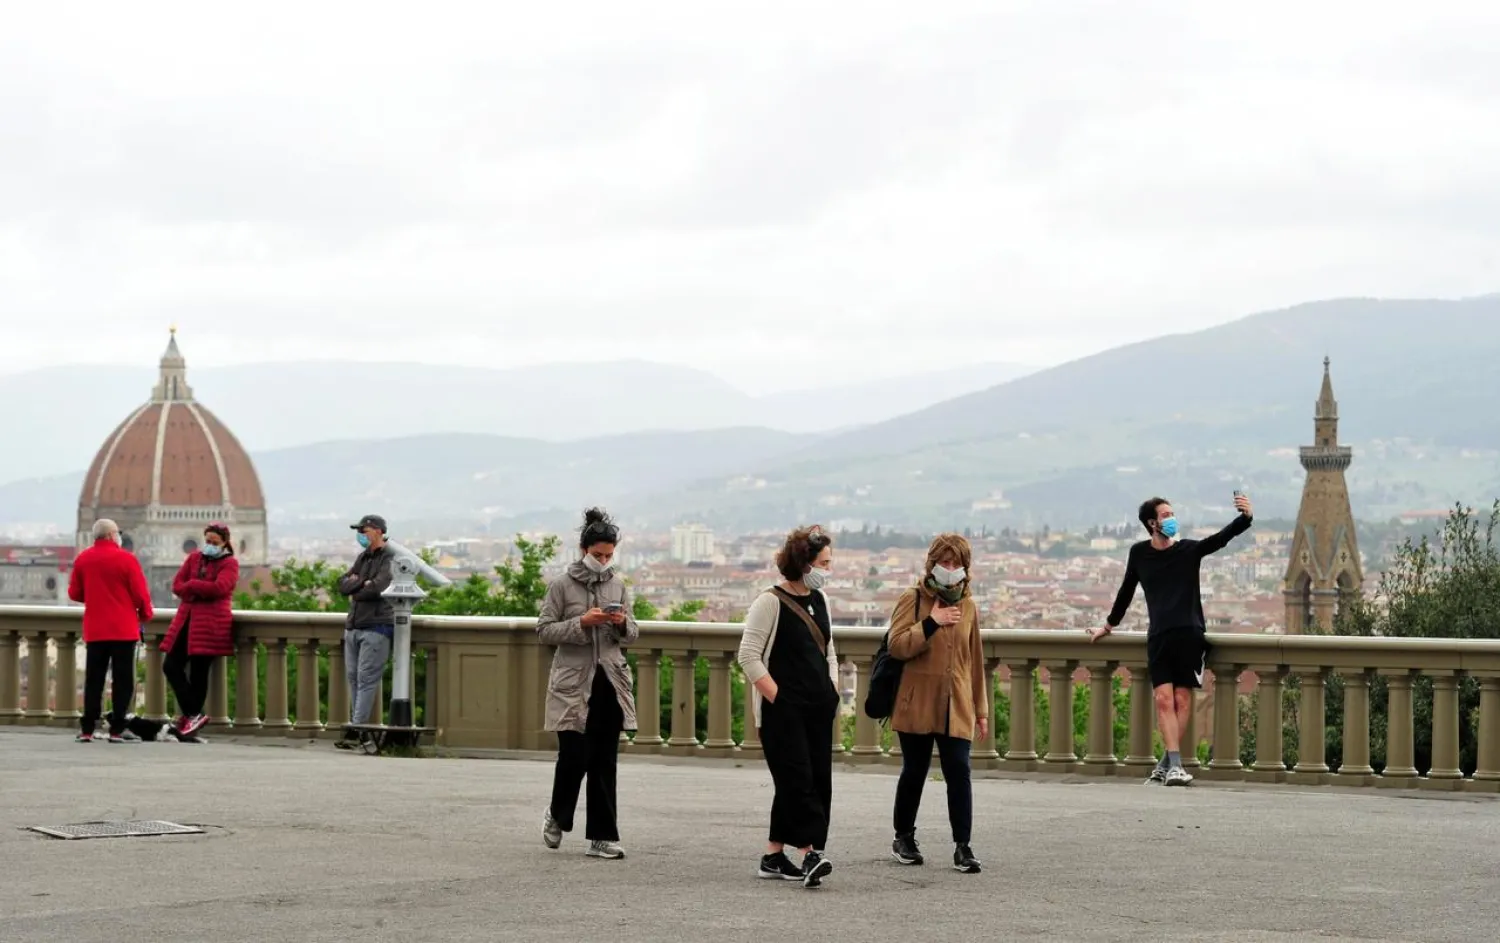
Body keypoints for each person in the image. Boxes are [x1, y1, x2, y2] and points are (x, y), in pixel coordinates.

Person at [1090, 492, 1255, 786]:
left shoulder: (1188, 550)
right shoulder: (1139, 554)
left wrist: (1245, 518)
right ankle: (1172, 765)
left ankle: (1169, 764)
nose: (1172, 519)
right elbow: (1126, 590)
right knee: (1163, 700)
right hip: (1159, 636)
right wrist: (1109, 625)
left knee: (1181, 698)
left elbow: (1219, 539)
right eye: (1166, 515)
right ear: (1152, 523)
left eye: (1171, 514)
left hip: (1189, 634)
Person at [736, 525, 840, 889]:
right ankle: (811, 853)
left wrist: (832, 689)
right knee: (799, 780)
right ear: (804, 563)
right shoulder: (769, 602)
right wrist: (779, 698)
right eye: (824, 563)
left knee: (813, 779)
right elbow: (748, 657)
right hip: (783, 711)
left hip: (818, 707)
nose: (828, 569)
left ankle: (773, 855)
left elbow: (828, 650)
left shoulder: (821, 601)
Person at [537, 507, 639, 860]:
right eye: (598, 555)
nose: (604, 561)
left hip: (609, 682)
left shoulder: (618, 584)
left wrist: (622, 623)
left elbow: (633, 635)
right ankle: (557, 816)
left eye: (609, 555)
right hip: (573, 685)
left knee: (604, 760)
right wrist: (581, 622)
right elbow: (545, 630)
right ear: (584, 551)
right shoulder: (561, 586)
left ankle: (602, 836)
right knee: (574, 757)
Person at [886, 533, 986, 874]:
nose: (950, 568)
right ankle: (903, 837)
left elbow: (974, 659)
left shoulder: (968, 605)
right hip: (916, 699)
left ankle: (963, 846)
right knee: (914, 771)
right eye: (944, 562)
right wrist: (931, 623)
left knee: (959, 770)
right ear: (931, 563)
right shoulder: (912, 598)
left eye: (956, 563)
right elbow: (897, 646)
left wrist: (981, 710)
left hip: (956, 702)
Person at [68, 519, 154, 743]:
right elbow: (140, 595)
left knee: (94, 680)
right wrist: (145, 614)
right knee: (123, 680)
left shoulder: (83, 559)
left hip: (95, 629)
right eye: (118, 533)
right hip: (123, 629)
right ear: (110, 536)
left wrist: (96, 597)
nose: (119, 537)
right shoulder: (127, 559)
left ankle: (88, 729)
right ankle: (117, 729)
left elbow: (74, 593)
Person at [160, 522, 239, 742]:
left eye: (214, 542)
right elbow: (177, 585)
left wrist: (193, 586)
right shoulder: (194, 558)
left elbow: (220, 588)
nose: (210, 545)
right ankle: (195, 714)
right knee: (171, 665)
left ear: (224, 542)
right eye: (207, 541)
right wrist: (198, 587)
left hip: (211, 625)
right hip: (187, 620)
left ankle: (191, 720)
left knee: (199, 673)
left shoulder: (230, 563)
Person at [335, 513, 395, 749]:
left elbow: (378, 588)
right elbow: (342, 584)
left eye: (364, 531)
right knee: (353, 678)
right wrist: (361, 583)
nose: (360, 535)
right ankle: (357, 727)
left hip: (377, 627)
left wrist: (357, 584)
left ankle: (356, 730)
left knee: (366, 679)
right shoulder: (364, 557)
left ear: (379, 531)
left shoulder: (390, 557)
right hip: (355, 625)